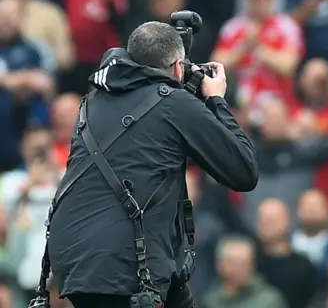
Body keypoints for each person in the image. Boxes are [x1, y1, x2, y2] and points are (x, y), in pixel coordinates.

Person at [45, 21, 259, 308]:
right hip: (127, 265)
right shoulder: (174, 103)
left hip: (74, 257)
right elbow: (244, 171)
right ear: (177, 67)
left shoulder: (93, 101)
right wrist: (216, 99)